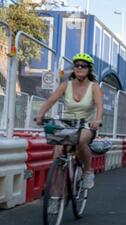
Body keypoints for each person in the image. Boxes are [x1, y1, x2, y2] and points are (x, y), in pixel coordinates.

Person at [36, 53, 104, 189]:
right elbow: (51, 100)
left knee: (80, 141)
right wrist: (40, 114)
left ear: (89, 69)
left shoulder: (94, 87)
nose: (79, 68)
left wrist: (97, 120)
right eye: (77, 65)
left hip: (86, 125)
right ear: (73, 68)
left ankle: (88, 171)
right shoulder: (65, 85)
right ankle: (56, 196)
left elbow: (99, 106)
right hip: (66, 124)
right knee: (57, 154)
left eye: (83, 66)